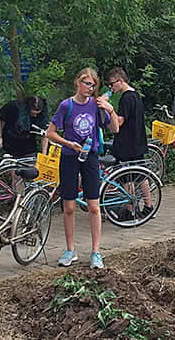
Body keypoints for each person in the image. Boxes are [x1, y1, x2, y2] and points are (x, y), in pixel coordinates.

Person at [45, 68, 120, 270]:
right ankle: (70, 250)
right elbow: (50, 133)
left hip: (90, 157)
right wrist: (68, 143)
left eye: (93, 85)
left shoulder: (96, 106)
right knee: (68, 207)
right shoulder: (66, 106)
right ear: (77, 82)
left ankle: (96, 251)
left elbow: (115, 129)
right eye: (87, 83)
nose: (90, 88)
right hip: (70, 158)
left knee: (94, 206)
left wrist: (110, 110)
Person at [105, 67, 153, 220]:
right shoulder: (136, 95)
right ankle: (148, 206)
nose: (111, 88)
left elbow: (119, 122)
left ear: (120, 81)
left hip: (126, 143)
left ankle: (130, 210)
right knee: (140, 175)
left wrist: (108, 114)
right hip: (138, 141)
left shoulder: (126, 98)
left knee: (126, 177)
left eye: (112, 84)